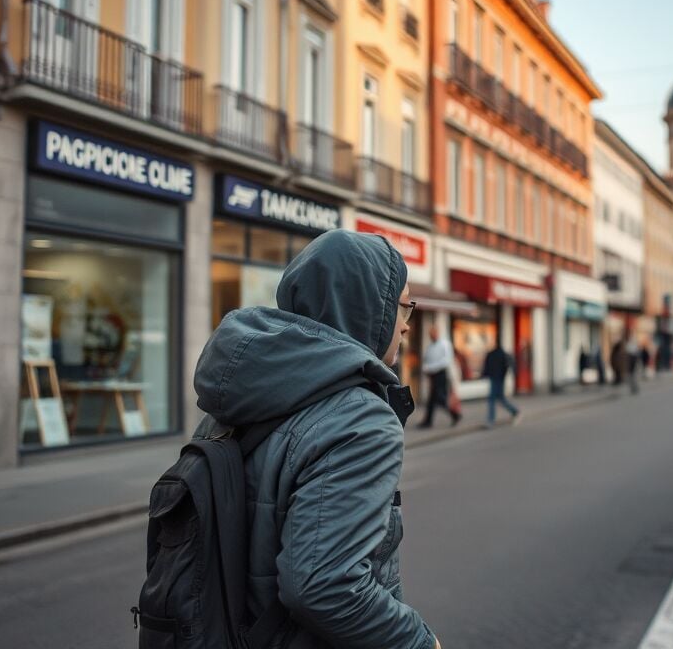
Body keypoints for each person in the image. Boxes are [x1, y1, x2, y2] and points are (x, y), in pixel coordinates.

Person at [192, 230, 441, 649]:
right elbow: (324, 586)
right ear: (368, 310)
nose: (406, 326)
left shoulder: (235, 396)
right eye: (403, 307)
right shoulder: (359, 418)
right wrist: (418, 642)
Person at [419, 324, 460, 428]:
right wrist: (426, 368)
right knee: (432, 400)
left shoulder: (444, 344)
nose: (431, 336)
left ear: (437, 333)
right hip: (432, 376)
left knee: (439, 398)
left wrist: (430, 367)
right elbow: (426, 359)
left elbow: (446, 361)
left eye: (433, 333)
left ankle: (455, 414)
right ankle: (428, 421)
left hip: (441, 375)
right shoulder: (430, 347)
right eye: (430, 334)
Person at [481, 339, 520, 428]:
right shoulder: (503, 354)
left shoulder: (492, 354)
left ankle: (491, 420)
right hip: (499, 379)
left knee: (492, 399)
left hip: (495, 379)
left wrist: (484, 374)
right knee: (500, 399)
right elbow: (508, 366)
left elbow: (487, 367)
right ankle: (514, 411)